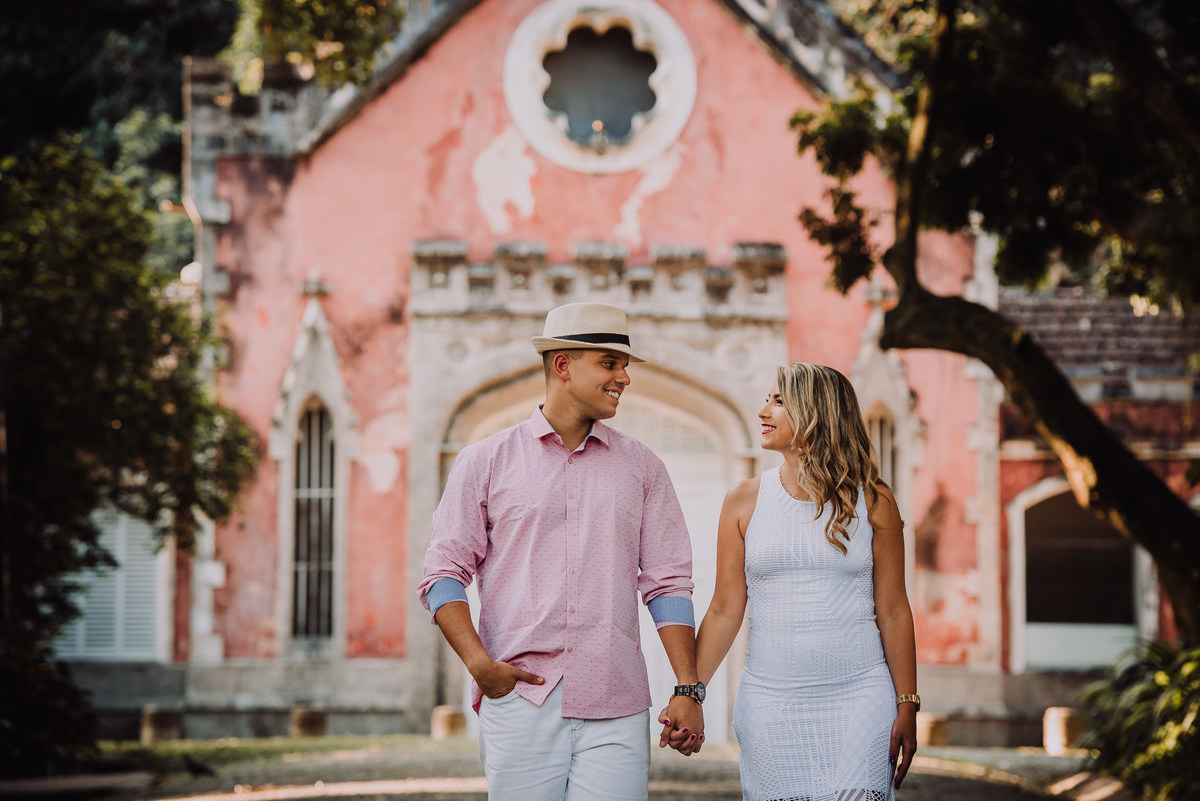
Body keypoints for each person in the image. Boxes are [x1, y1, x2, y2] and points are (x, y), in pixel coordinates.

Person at [418, 301, 706, 801]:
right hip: (522, 697)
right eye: (610, 363)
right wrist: (479, 664)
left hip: (617, 703)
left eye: (625, 366)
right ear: (563, 365)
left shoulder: (643, 468)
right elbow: (443, 573)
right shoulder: (483, 462)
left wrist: (687, 686)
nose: (624, 378)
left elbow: (668, 584)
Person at [663, 362, 918, 799]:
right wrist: (690, 693)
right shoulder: (743, 500)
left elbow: (894, 609)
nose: (764, 410)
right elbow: (726, 608)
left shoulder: (874, 502)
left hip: (860, 699)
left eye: (779, 400)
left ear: (818, 412)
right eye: (767, 398)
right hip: (770, 705)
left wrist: (908, 703)